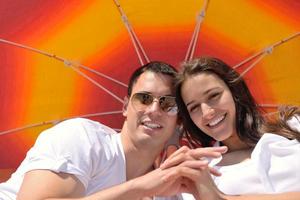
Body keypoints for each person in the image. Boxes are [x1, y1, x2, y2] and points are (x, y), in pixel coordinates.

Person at [0, 61, 196, 200]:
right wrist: (139, 188)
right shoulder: (82, 138)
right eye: (144, 99)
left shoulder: (169, 190)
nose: (154, 110)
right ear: (126, 106)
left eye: (168, 104)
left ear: (178, 119)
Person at [163, 56, 300, 199]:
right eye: (194, 107)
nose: (207, 113)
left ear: (234, 91)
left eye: (214, 95)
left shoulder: (294, 128)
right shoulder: (200, 175)